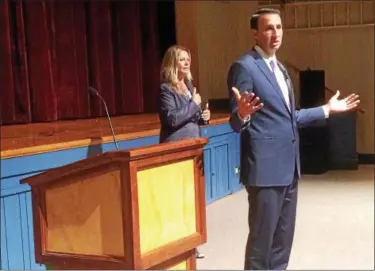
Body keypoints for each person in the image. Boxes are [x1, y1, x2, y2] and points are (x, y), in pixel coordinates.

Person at [227, 8, 360, 270]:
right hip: (265, 171)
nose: (275, 33)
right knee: (261, 246)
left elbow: (289, 118)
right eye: (268, 28)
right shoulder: (244, 67)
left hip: (289, 169)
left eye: (278, 27)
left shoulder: (282, 70)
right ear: (255, 33)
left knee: (282, 245)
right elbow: (236, 120)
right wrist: (241, 114)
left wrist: (326, 109)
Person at [158, 45, 210, 259]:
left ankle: (191, 243)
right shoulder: (165, 89)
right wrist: (194, 105)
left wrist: (203, 116)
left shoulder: (189, 86)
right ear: (172, 63)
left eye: (188, 59)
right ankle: (176, 243)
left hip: (194, 147)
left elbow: (191, 116)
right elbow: (171, 119)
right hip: (175, 149)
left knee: (192, 197)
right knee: (176, 197)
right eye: (182, 59)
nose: (187, 62)